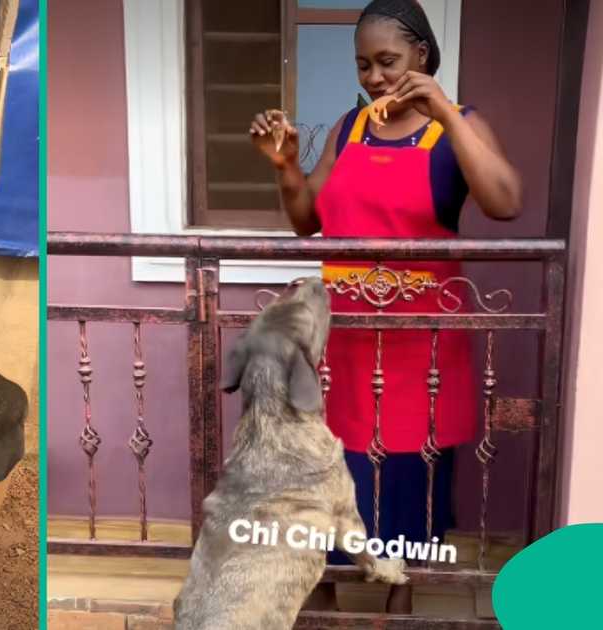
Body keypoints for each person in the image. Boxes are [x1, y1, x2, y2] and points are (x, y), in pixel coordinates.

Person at [248, 0, 522, 614]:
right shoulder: (348, 127)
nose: (373, 77)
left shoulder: (458, 127)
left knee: (404, 481)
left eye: (388, 61)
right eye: (363, 64)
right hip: (341, 348)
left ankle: (393, 604)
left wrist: (446, 111)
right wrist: (287, 166)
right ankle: (319, 596)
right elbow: (306, 222)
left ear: (422, 56)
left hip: (419, 348)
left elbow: (505, 202)